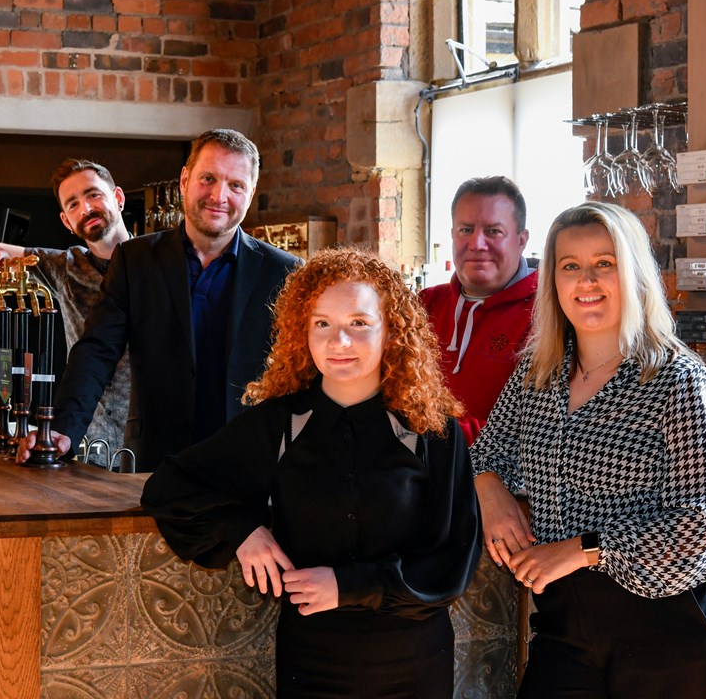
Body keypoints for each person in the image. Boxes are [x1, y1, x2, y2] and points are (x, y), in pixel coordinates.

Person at [141, 247, 481, 697]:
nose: (338, 342)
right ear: (303, 332)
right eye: (322, 324)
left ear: (392, 331)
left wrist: (346, 586)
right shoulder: (279, 422)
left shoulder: (433, 432)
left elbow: (452, 563)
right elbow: (169, 486)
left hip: (412, 661)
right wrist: (242, 530)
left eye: (358, 323)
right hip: (313, 662)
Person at [472, 202, 706, 698]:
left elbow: (704, 528)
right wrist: (488, 489)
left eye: (605, 263)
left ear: (632, 274)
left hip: (668, 631)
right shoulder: (537, 377)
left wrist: (582, 550)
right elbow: (485, 453)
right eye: (570, 266)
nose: (586, 280)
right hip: (565, 628)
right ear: (552, 281)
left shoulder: (678, 381)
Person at [21, 129, 301, 472]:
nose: (219, 195)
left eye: (236, 185)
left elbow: (298, 372)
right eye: (208, 179)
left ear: (251, 193)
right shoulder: (134, 259)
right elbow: (97, 351)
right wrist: (63, 429)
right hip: (155, 462)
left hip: (248, 464)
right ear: (185, 180)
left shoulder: (284, 272)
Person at [0, 159, 133, 455]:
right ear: (67, 221)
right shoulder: (64, 266)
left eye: (93, 195)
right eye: (73, 204)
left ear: (117, 198)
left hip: (148, 438)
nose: (86, 208)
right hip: (88, 441)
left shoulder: (157, 261)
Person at [420, 176, 537, 444]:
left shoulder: (548, 315)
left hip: (496, 481)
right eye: (466, 230)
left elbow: (530, 432)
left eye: (493, 231)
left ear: (521, 240)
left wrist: (420, 433)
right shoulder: (424, 304)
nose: (477, 244)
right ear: (452, 235)